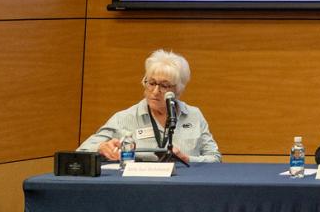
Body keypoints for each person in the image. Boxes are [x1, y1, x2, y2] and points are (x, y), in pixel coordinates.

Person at [78, 48, 221, 163]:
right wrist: (100, 147)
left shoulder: (193, 115)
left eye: (164, 86)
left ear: (178, 90)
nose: (155, 91)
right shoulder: (124, 118)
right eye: (151, 83)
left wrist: (187, 159)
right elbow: (81, 151)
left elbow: (215, 158)